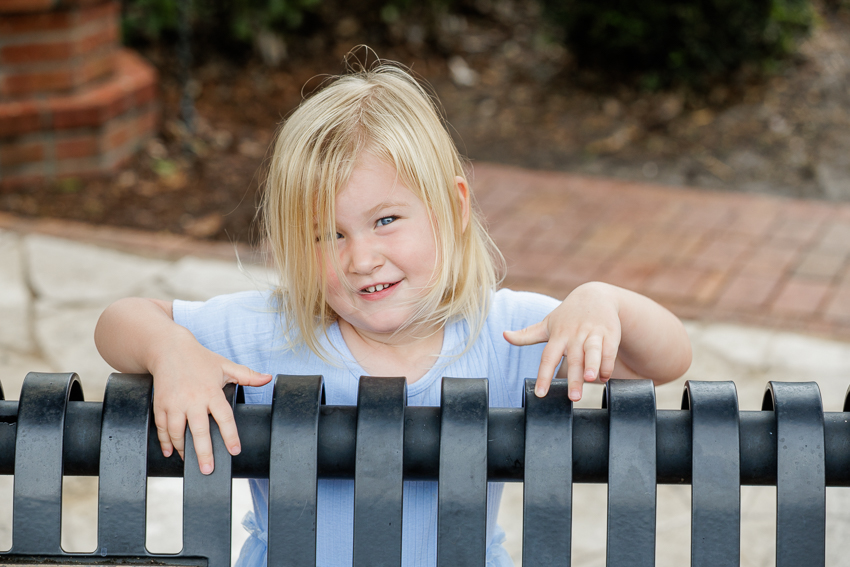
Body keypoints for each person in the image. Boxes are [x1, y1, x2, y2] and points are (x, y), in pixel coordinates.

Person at [95, 57, 692, 567]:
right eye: (326, 234)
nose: (362, 259)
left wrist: (601, 301)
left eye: (385, 220)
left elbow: (665, 361)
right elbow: (122, 319)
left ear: (454, 208)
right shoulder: (271, 334)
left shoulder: (508, 333)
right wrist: (171, 350)